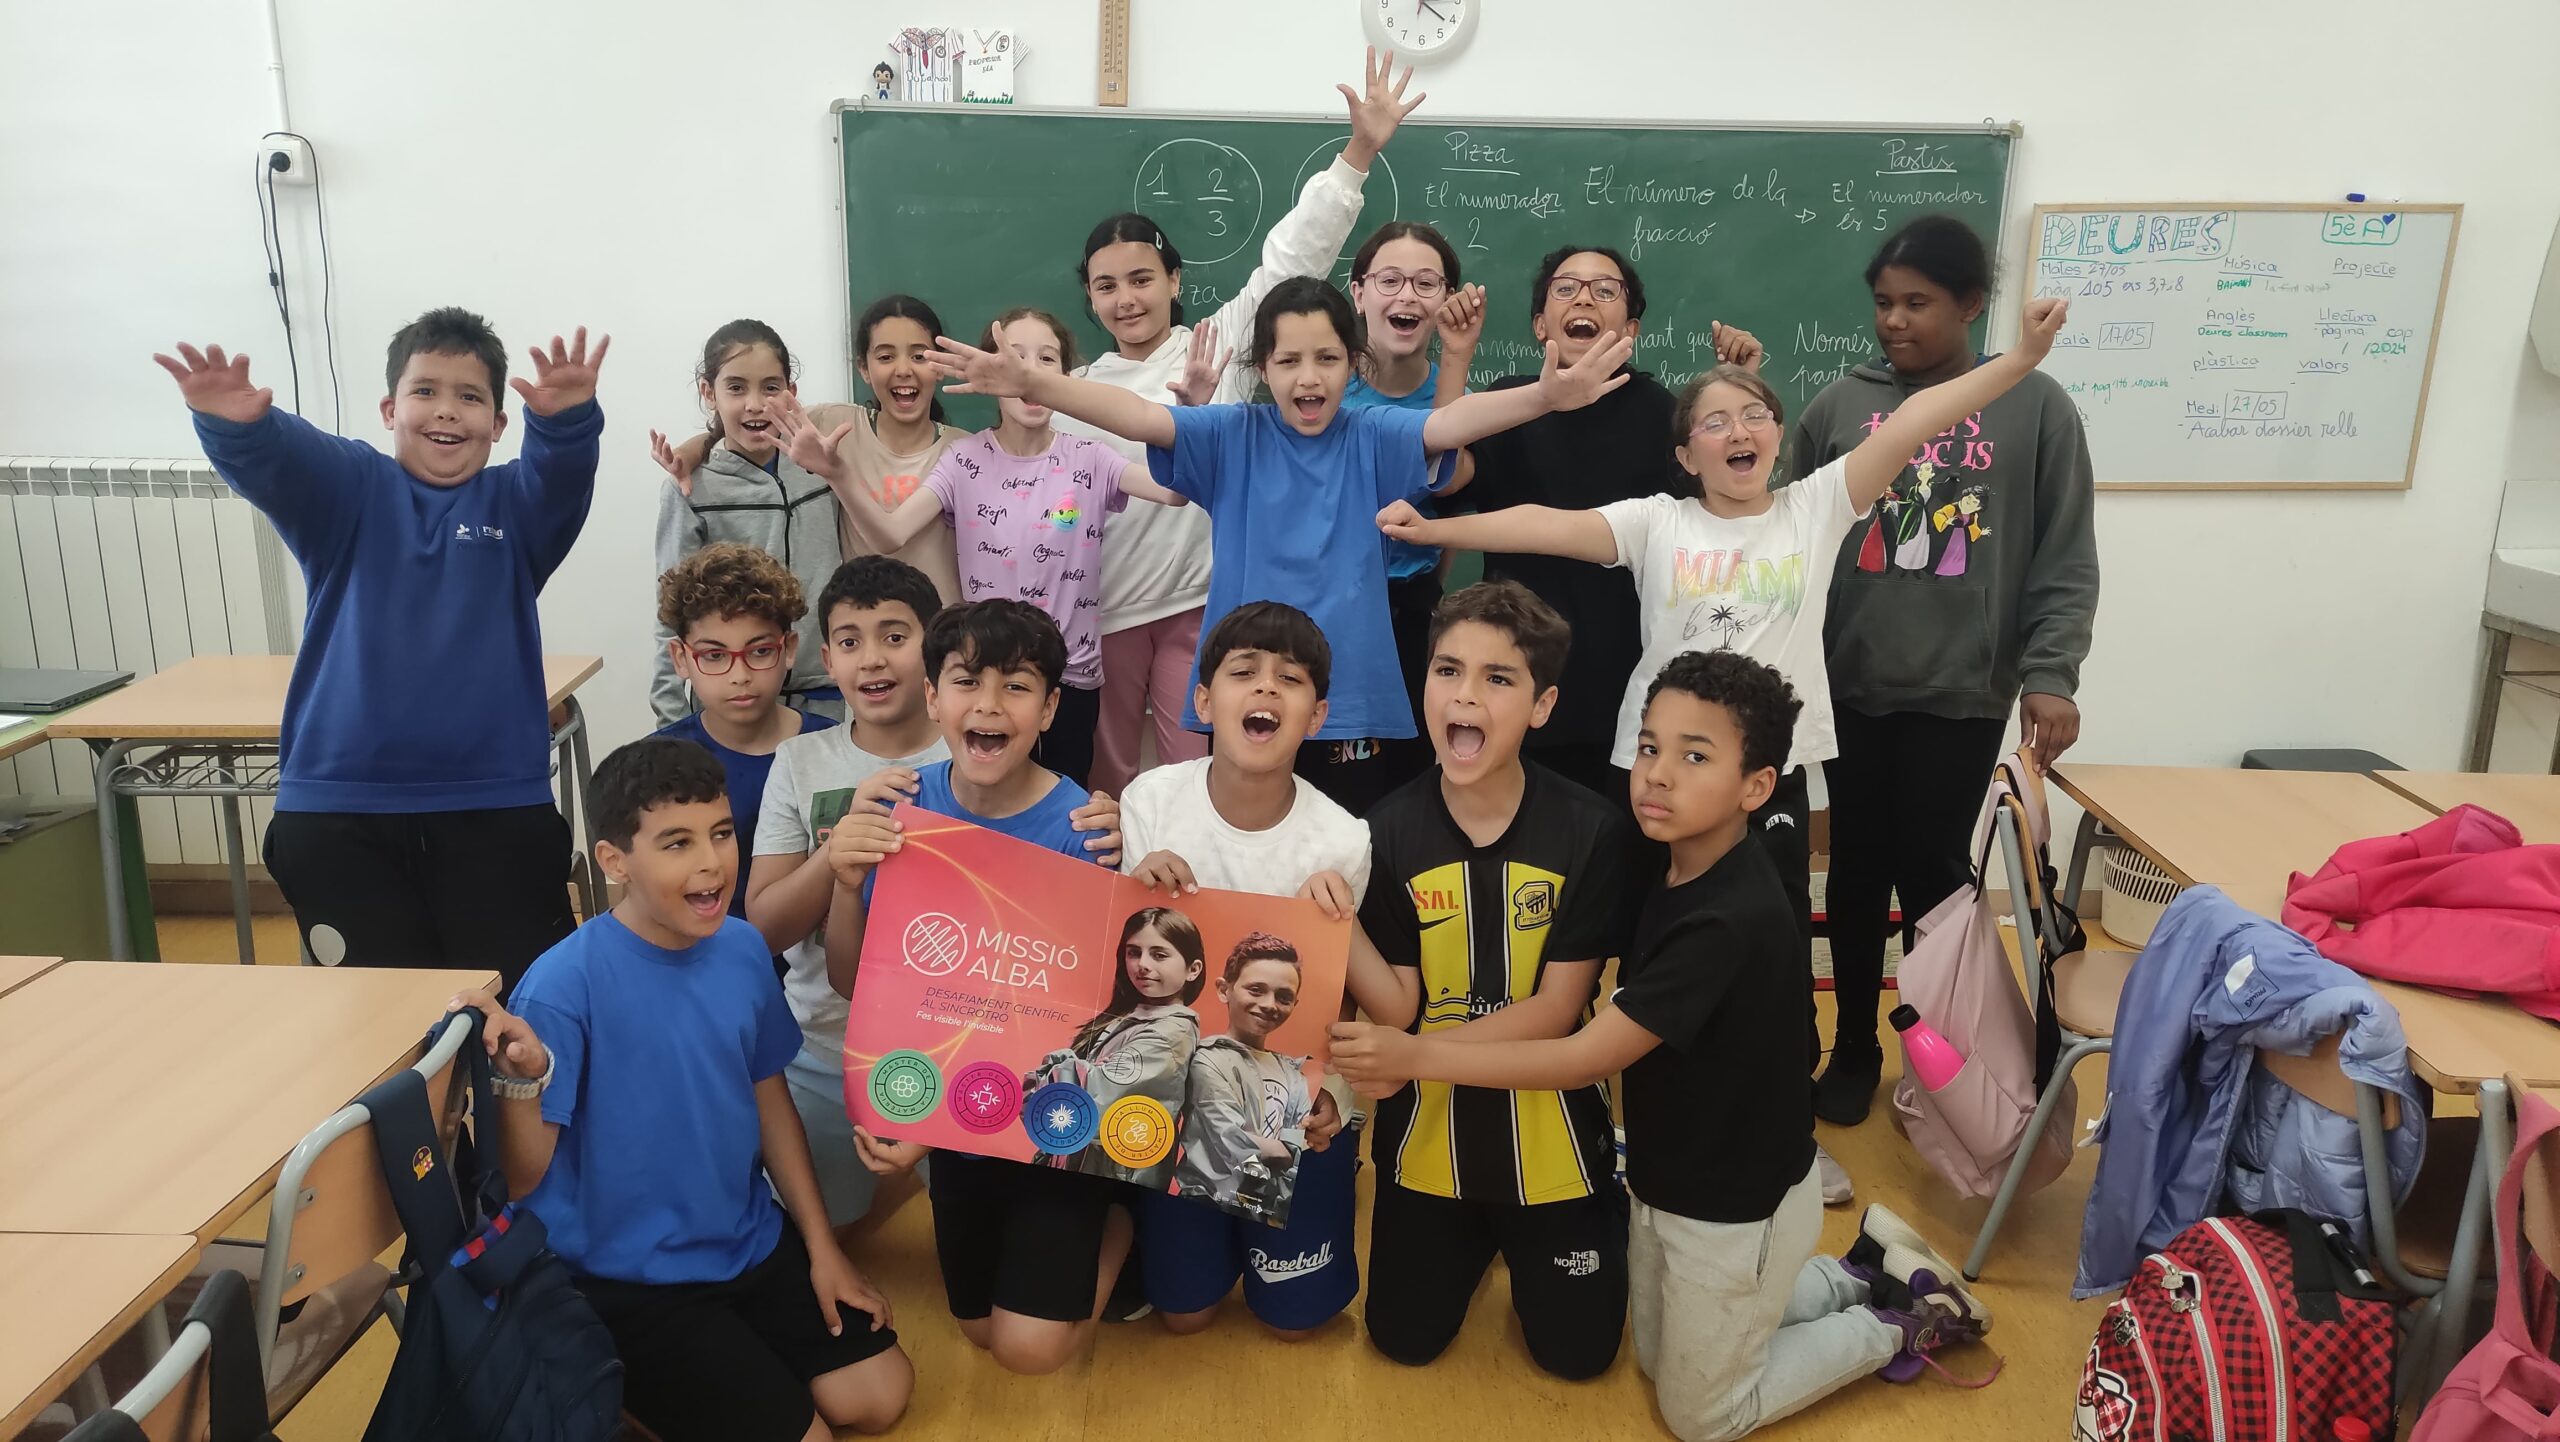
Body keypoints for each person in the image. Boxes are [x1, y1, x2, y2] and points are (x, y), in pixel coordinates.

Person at [1379, 294, 2075, 1128]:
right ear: (1685, 453)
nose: (1738, 430)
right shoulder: (1656, 522)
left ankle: (1776, 1117)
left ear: (1777, 436)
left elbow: (1913, 422)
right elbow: (1545, 526)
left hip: (1760, 783)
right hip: (1653, 774)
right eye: (1714, 422)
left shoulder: (1817, 507)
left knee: (1769, 954)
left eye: (1754, 415)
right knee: (1645, 946)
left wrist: (2018, 360)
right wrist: (1435, 531)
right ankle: (1641, 1114)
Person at [1332, 652, 1995, 1441]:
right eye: (1650, 747)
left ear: (1757, 787)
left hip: (1734, 1210)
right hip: (1663, 1183)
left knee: (1701, 1414)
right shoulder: (1670, 863)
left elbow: (1585, 1056)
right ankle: (1861, 1271)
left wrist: (1414, 1056)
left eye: (1695, 756)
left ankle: (1902, 1320)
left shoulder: (1729, 918)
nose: (1658, 773)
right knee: (1653, 1353)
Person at [926, 278, 1634, 816]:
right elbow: (1140, 415)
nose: (1308, 377)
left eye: (1327, 358)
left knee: (1344, 873)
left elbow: (1450, 426)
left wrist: (1545, 396)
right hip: (1244, 695)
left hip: (1350, 700)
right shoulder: (1232, 435)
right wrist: (1037, 382)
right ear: (1262, 367)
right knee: (1245, 859)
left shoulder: (1371, 434)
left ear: (1352, 363)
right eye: (1288, 359)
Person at [449, 738, 911, 1442]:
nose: (711, 862)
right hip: (624, 1280)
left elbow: (770, 1102)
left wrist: (823, 1249)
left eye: (721, 834)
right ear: (615, 862)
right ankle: (611, 1381)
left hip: (745, 1242)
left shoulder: (743, 948)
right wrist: (520, 1083)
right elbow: (520, 1180)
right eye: (676, 843)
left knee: (879, 1397)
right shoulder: (561, 986)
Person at [154, 312, 602, 987]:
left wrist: (565, 422)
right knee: (380, 1019)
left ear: (498, 424)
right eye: (425, 391)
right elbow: (291, 462)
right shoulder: (354, 489)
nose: (446, 410)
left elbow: (559, 478)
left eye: (470, 396)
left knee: (518, 1008)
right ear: (391, 410)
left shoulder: (514, 506)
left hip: (494, 808)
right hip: (340, 814)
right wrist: (241, 427)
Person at [1788, 215, 2101, 1125]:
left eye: (1917, 303)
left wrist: (2052, 672)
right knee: (1853, 871)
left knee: (1934, 878)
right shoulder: (1838, 407)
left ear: (1970, 304)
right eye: (1884, 303)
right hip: (1849, 685)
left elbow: (2065, 552)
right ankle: (1853, 1046)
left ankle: (1937, 1054)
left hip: (1964, 691)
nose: (1895, 321)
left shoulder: (2035, 406)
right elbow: (1786, 538)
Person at [1069, 48, 1423, 797]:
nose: (1126, 298)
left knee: (1202, 776)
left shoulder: (1223, 340)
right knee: (1114, 779)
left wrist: (1358, 155)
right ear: (1090, 299)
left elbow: (1298, 253)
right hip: (1110, 606)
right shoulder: (1079, 390)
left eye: (1142, 278)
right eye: (1106, 286)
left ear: (1174, 280)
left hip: (1202, 605)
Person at [745, 558, 1120, 1223]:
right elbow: (803, 951)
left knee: (1012, 1246)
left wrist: (1140, 841)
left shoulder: (1015, 788)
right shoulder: (859, 783)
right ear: (935, 691)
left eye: (894, 636)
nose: (872, 658)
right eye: (850, 641)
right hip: (838, 1048)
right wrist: (841, 859)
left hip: (988, 1061)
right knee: (822, 1227)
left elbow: (1067, 1002)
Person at [820, 599, 1130, 1376]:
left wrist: (924, 1133)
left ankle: (1122, 1218)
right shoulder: (898, 809)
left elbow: (1069, 1028)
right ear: (933, 697)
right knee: (977, 1331)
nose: (989, 705)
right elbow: (851, 980)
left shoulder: (1084, 832)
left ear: (1050, 708)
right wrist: (844, 882)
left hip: (1051, 1115)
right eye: (966, 681)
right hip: (953, 1109)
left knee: (1029, 1351)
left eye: (1017, 686)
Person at [1341, 580, 1636, 1380]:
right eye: (1448, 670)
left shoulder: (1592, 831)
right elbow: (1397, 1003)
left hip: (1552, 1139)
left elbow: (1556, 1010)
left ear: (1542, 706)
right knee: (1402, 1341)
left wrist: (1411, 1056)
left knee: (1579, 1358)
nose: (1465, 695)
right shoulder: (1381, 833)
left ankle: (1599, 1207)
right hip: (1427, 1142)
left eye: (1497, 678)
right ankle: (1472, 1237)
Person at [772, 308, 1186, 788]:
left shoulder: (1090, 459)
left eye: (1046, 360)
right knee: (987, 807)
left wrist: (1188, 414)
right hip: (983, 678)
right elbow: (889, 534)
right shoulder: (963, 460)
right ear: (988, 374)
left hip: (1068, 681)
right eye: (1016, 358)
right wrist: (837, 473)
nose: (1029, 374)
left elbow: (1174, 492)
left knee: (1059, 807)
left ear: (1066, 378)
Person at [1116, 599, 1367, 1337]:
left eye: (1289, 679)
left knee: (1295, 1322)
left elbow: (1341, 1000)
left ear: (1317, 716)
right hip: (1174, 1096)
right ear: (1203, 702)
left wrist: (1334, 1094)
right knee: (1185, 1316)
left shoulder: (1342, 837)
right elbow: (1120, 973)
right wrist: (1136, 893)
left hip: (1290, 1101)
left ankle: (1296, 1209)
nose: (1264, 688)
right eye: (1243, 673)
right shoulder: (1150, 802)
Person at [1453, 246, 1763, 801]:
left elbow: (1721, 512)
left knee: (1611, 832)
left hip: (1625, 677)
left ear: (1632, 329)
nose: (1584, 300)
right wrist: (1456, 358)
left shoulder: (1662, 414)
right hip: (1515, 668)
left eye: (1604, 290)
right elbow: (1444, 478)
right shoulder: (1506, 403)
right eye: (1566, 288)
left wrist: (1739, 390)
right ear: (1540, 324)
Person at [662, 296, 964, 605]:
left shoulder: (965, 452)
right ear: (863, 367)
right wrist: (689, 454)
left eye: (919, 356)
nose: (903, 369)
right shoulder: (834, 425)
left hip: (943, 625)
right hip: (856, 626)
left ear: (942, 365)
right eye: (885, 356)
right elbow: (755, 424)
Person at [1342, 220, 1485, 792]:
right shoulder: (1321, 388)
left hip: (1411, 608)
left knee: (1406, 775)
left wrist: (1457, 357)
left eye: (1427, 284)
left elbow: (1448, 489)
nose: (1407, 296)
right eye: (1390, 280)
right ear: (1358, 293)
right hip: (1328, 605)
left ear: (1447, 298)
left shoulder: (1460, 400)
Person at [648, 320, 843, 724]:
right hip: (731, 697)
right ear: (709, 393)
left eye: (771, 387)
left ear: (791, 392)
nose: (755, 404)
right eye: (736, 388)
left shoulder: (821, 464)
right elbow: (671, 613)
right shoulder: (691, 489)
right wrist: (671, 722)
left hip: (823, 690)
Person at [653, 543, 830, 936]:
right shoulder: (657, 766)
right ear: (680, 658)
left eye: (760, 651)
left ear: (789, 649)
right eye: (714, 656)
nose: (740, 676)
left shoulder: (831, 747)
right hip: (703, 957)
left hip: (815, 963)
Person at [1028, 906, 1206, 1188]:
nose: (1142, 964)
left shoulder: (1173, 1032)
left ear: (1193, 970)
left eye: (1159, 955)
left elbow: (1088, 1106)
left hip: (1110, 1179)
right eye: (1133, 952)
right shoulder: (1129, 1017)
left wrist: (1056, 1075)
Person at [1173, 933, 1324, 1221]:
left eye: (1283, 997)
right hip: (1205, 1203)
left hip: (1264, 1209)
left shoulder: (1292, 1074)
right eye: (1256, 990)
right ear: (1224, 990)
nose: (1269, 1004)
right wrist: (1288, 1151)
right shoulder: (1208, 1059)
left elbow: (1299, 1139)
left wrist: (1287, 1153)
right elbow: (1232, 1140)